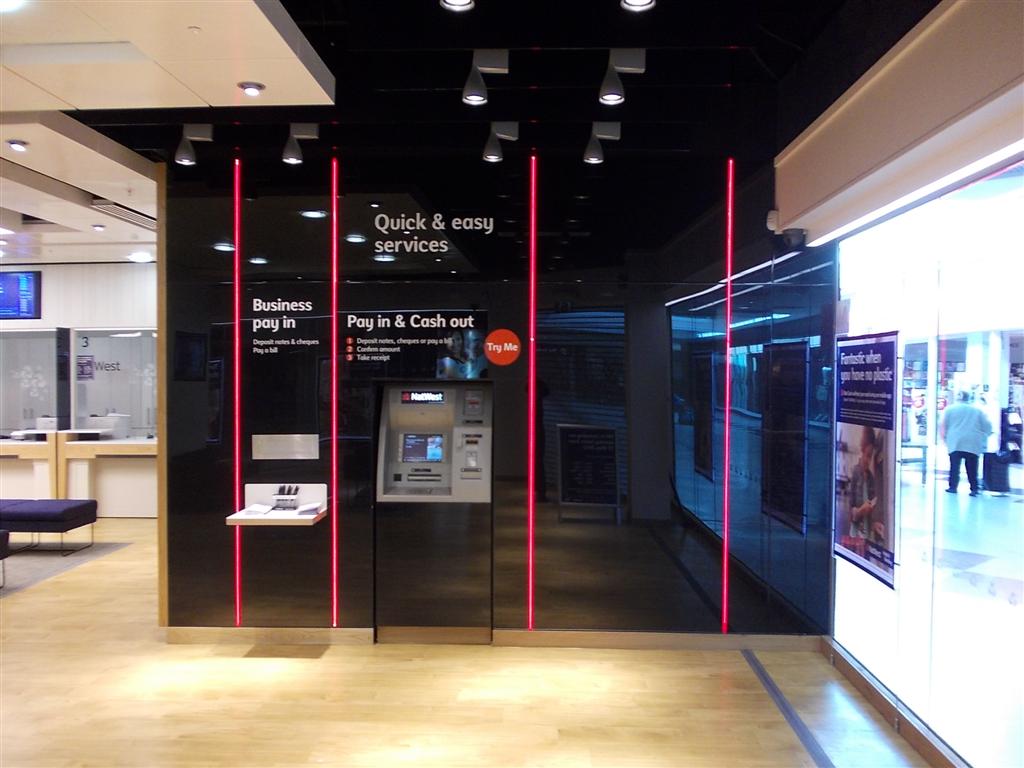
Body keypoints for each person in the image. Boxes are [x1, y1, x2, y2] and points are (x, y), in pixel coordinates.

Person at [940, 390, 993, 496]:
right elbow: (987, 427)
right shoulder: (977, 411)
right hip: (973, 442)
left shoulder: (949, 409)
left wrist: (944, 439)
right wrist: (985, 436)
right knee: (972, 467)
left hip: (955, 441)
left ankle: (953, 487)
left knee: (954, 466)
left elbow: (943, 425)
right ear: (969, 398)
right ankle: (974, 489)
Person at [848, 426, 880, 542]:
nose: (868, 460)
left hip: (867, 527)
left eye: (870, 457)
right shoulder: (856, 472)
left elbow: (873, 499)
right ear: (862, 451)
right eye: (867, 455)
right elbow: (851, 505)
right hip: (856, 527)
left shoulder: (871, 477)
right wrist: (860, 511)